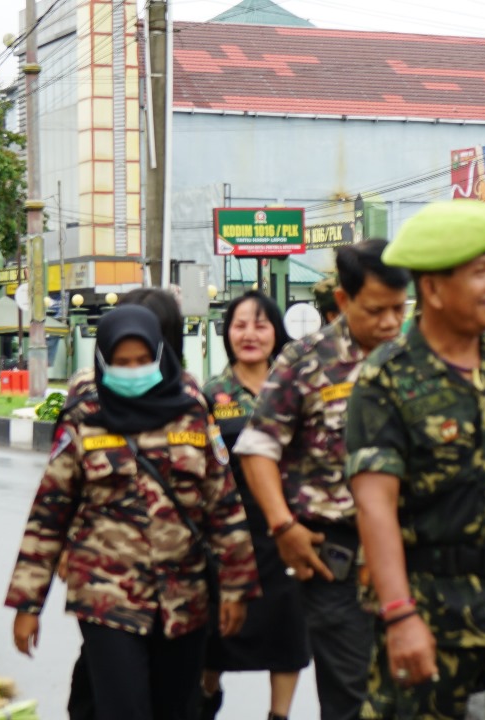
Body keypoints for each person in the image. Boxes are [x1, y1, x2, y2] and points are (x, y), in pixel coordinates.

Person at [346, 200, 485, 718]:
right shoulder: (386, 379)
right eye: (481, 272)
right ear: (432, 289)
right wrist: (400, 614)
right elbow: (374, 506)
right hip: (429, 603)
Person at [6, 304, 258, 720]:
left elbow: (224, 506)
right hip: (107, 596)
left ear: (161, 357)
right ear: (102, 363)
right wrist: (28, 605)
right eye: (121, 363)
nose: (133, 370)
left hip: (184, 597)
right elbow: (48, 516)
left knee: (176, 709)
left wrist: (237, 588)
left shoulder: (192, 414)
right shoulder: (83, 419)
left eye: (142, 360)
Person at [236, 239, 409, 720]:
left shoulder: (418, 358)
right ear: (344, 301)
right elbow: (258, 448)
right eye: (377, 311)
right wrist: (282, 526)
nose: (391, 323)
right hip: (338, 559)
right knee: (352, 698)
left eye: (400, 309)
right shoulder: (308, 362)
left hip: (413, 552)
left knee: (416, 692)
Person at [199, 290, 307, 720]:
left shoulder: (295, 388)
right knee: (215, 636)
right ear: (227, 333)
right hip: (227, 532)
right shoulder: (211, 394)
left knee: (288, 632)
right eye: (240, 325)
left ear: (276, 332)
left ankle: (278, 715)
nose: (250, 334)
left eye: (261, 325)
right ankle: (207, 698)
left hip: (284, 528)